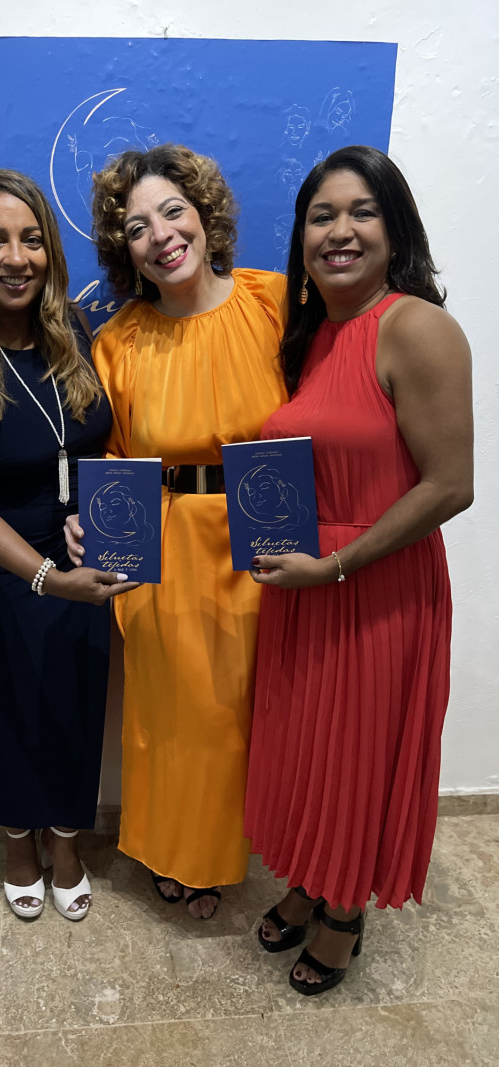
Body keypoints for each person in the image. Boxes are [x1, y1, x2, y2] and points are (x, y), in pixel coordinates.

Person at [244, 145, 473, 995]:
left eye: (361, 212)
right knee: (312, 748)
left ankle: (345, 908)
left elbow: (452, 485)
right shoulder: (315, 337)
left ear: (395, 228)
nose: (339, 231)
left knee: (360, 752)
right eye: (321, 215)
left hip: (373, 584)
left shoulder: (416, 326)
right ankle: (309, 877)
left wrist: (335, 564)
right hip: (308, 584)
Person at [67, 144, 288, 917]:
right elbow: (115, 456)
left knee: (248, 713)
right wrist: (87, 528)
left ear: (203, 214)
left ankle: (243, 847)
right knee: (173, 715)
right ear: (122, 250)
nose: (160, 234)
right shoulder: (119, 340)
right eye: (135, 227)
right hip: (163, 547)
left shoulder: (274, 302)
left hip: (267, 543)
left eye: (171, 211)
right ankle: (176, 851)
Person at [0, 170, 132, 924]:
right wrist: (46, 575)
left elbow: (98, 447)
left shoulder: (74, 331)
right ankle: (17, 840)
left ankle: (66, 840)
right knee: (4, 707)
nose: (16, 256)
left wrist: (91, 526)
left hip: (79, 553)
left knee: (73, 704)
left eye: (32, 238)